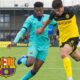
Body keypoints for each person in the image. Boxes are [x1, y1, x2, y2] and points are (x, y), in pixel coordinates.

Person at [36, 0, 80, 80]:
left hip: (73, 37)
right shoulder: (54, 13)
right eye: (55, 11)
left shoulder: (71, 10)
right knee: (77, 58)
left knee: (63, 54)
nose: (57, 13)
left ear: (62, 7)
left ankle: (70, 78)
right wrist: (42, 28)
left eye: (59, 10)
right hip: (62, 39)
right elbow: (49, 21)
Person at [8, 2, 50, 80]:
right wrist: (14, 41)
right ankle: (23, 58)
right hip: (34, 44)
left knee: (35, 70)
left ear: (43, 9)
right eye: (37, 10)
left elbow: (59, 23)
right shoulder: (30, 19)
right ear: (34, 10)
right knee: (29, 63)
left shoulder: (48, 18)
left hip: (44, 46)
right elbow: (22, 30)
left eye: (41, 10)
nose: (39, 12)